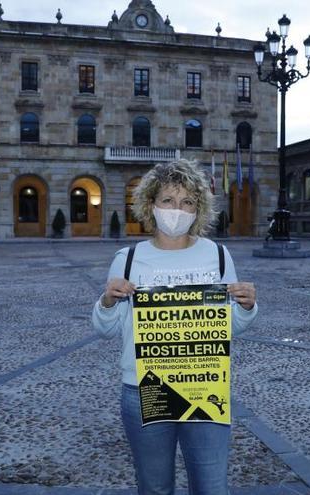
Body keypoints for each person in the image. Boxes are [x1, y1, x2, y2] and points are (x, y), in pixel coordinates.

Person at [92, 159, 257, 495]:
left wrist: (247, 306)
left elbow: (227, 329)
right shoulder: (127, 258)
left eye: (187, 202)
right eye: (168, 200)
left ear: (199, 209)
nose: (177, 209)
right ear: (151, 205)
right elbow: (107, 329)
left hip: (204, 385)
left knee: (211, 488)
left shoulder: (219, 255)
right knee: (154, 488)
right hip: (144, 388)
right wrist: (107, 302)